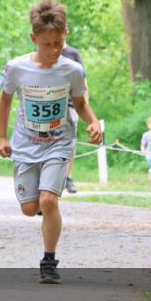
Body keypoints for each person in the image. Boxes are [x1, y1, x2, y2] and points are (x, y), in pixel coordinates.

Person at [0, 0, 102, 284]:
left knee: (48, 200)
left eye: (59, 42)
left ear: (66, 34)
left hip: (59, 143)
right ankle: (45, 203)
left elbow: (79, 102)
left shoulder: (72, 70)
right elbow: (5, 100)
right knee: (30, 208)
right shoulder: (16, 68)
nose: (54, 50)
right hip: (26, 144)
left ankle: (49, 260)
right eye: (47, 44)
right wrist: (3, 136)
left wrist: (92, 121)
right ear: (34, 39)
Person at [59, 44, 88, 193]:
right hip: (52, 103)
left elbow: (83, 80)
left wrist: (85, 104)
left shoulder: (73, 53)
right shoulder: (45, 50)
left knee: (70, 141)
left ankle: (68, 178)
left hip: (71, 104)